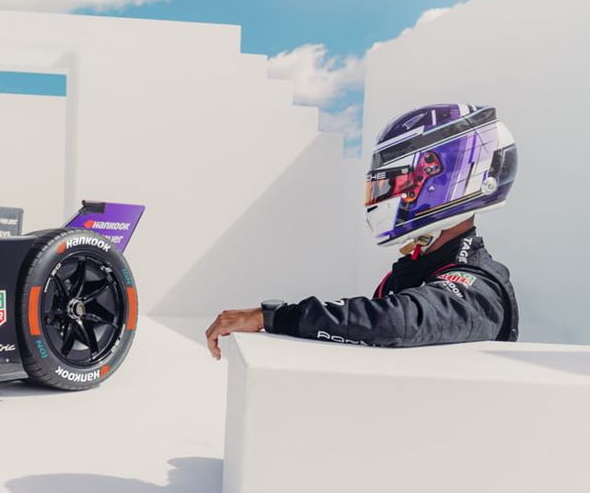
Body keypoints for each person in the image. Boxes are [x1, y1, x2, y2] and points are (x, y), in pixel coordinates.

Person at [206, 103, 519, 358]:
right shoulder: (418, 266)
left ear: (440, 181)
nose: (385, 195)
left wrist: (272, 317)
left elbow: (395, 322)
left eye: (395, 183)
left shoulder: (481, 285)